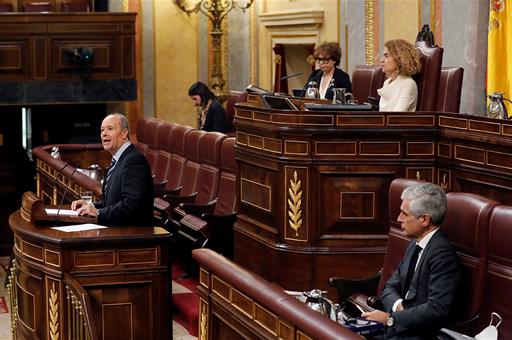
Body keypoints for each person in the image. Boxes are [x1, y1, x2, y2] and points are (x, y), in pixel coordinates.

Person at [362, 182, 460, 339]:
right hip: (399, 329)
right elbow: (389, 287)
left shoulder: (443, 254)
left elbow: (437, 308)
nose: (398, 219)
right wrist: (399, 307)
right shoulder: (415, 244)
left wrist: (390, 319)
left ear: (425, 220)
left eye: (405, 214)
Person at [71, 113, 154, 226]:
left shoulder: (133, 161)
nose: (104, 133)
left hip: (132, 234)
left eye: (110, 129)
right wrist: (91, 206)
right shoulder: (119, 159)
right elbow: (112, 202)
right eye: (102, 130)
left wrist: (99, 213)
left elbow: (132, 204)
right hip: (118, 229)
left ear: (124, 133)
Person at [378, 39, 422, 112]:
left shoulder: (408, 84)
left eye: (386, 56)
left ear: (400, 58)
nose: (381, 60)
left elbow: (396, 117)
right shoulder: (387, 82)